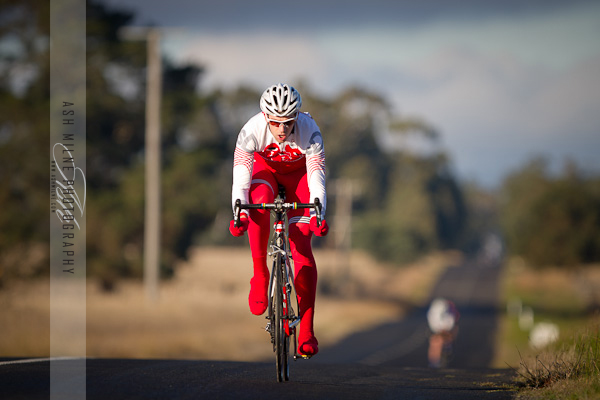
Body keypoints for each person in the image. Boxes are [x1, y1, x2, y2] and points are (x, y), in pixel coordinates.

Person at [229, 83, 329, 357]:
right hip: (266, 173)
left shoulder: (310, 131)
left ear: (297, 116)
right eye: (275, 123)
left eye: (288, 123)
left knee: (301, 244)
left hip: (300, 179)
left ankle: (307, 330)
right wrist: (239, 214)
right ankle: (260, 274)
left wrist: (317, 213)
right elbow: (241, 180)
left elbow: (317, 178)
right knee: (258, 199)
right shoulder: (251, 130)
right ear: (265, 117)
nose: (282, 130)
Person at [426, 297, 460, 368]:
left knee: (437, 342)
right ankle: (434, 362)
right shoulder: (439, 324)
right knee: (435, 342)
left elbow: (456, 319)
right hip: (438, 321)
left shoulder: (450, 323)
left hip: (442, 319)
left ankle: (436, 360)